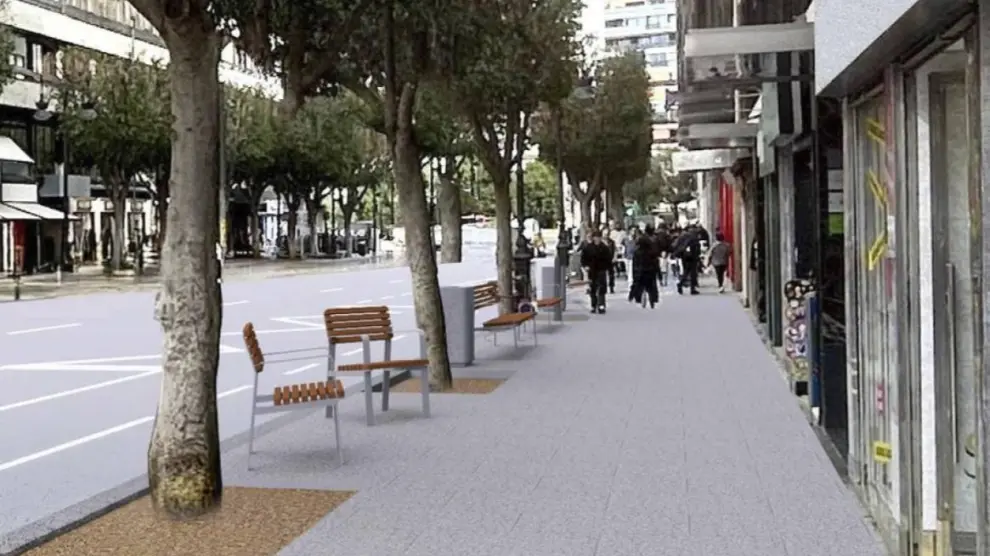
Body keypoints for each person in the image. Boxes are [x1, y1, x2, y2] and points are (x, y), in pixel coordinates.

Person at [580, 230, 612, 314]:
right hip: (592, 270)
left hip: (601, 270)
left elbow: (609, 259)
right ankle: (593, 305)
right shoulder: (588, 247)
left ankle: (601, 306)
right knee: (593, 288)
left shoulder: (604, 248)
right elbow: (583, 258)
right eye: (596, 237)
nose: (597, 239)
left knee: (602, 289)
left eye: (599, 237)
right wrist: (585, 266)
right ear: (593, 238)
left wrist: (607, 268)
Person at [630, 224, 660, 308]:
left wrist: (634, 273)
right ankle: (653, 299)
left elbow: (635, 264)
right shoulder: (652, 251)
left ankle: (635, 297)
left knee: (638, 284)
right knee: (652, 287)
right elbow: (655, 262)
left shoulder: (637, 252)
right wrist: (658, 272)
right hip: (650, 271)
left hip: (640, 271)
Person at [674, 225, 701, 295]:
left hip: (684, 256)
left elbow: (677, 245)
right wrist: (698, 254)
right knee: (692, 273)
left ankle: (681, 284)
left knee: (686, 271)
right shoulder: (694, 236)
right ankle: (692, 289)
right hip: (692, 256)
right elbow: (697, 247)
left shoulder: (682, 236)